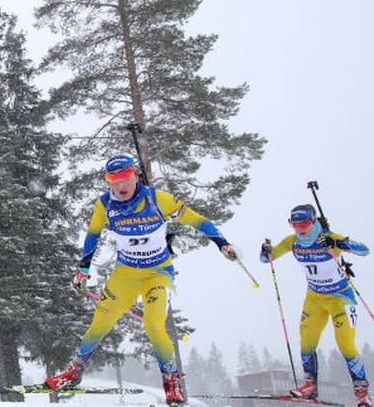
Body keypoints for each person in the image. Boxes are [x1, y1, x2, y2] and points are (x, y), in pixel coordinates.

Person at [44, 155, 240, 405]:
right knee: (100, 322)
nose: (120, 186)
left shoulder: (157, 199)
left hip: (157, 273)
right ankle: (74, 372)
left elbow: (197, 220)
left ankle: (172, 381)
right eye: (113, 180)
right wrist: (83, 269)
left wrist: (223, 244)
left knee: (153, 326)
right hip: (125, 273)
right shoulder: (105, 204)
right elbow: (93, 235)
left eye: (125, 178)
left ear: (135, 175)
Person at [261, 204, 370, 406]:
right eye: (295, 224)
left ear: (313, 221)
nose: (300, 228)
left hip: (340, 297)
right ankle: (310, 386)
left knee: (346, 344)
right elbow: (267, 258)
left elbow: (365, 250)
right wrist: (266, 251)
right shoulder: (293, 242)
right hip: (315, 298)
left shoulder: (328, 237)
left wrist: (340, 244)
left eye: (304, 223)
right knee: (306, 341)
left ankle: (362, 393)